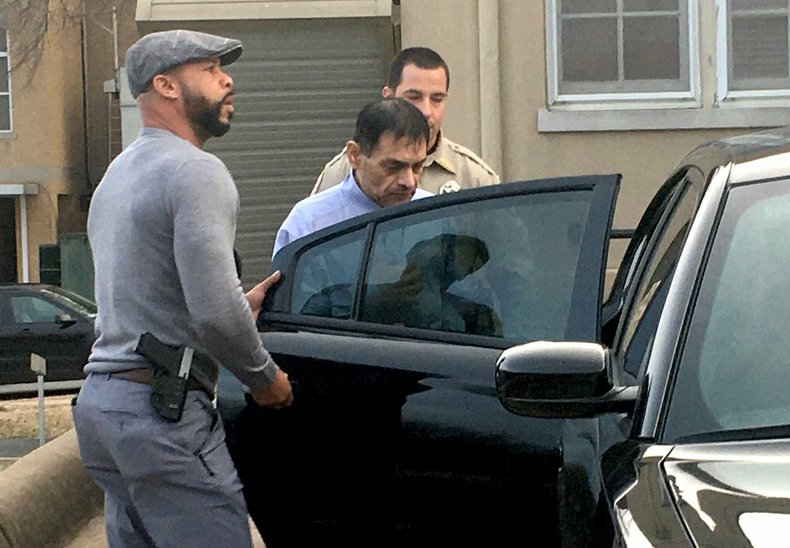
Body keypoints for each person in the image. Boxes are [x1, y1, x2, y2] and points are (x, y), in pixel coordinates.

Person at [71, 30, 293, 548]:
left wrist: (243, 304)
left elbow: (148, 296)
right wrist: (265, 378)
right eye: (211, 69)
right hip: (162, 415)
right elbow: (214, 312)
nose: (227, 79)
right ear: (167, 86)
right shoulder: (196, 171)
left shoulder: (116, 177)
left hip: (104, 409)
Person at [311, 46, 500, 196]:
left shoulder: (473, 178)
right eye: (414, 97)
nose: (426, 111)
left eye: (437, 99)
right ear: (388, 97)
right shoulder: (343, 171)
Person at [272, 96, 433, 256]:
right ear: (354, 155)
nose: (409, 181)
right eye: (393, 167)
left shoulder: (434, 216)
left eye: (418, 166)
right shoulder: (307, 225)